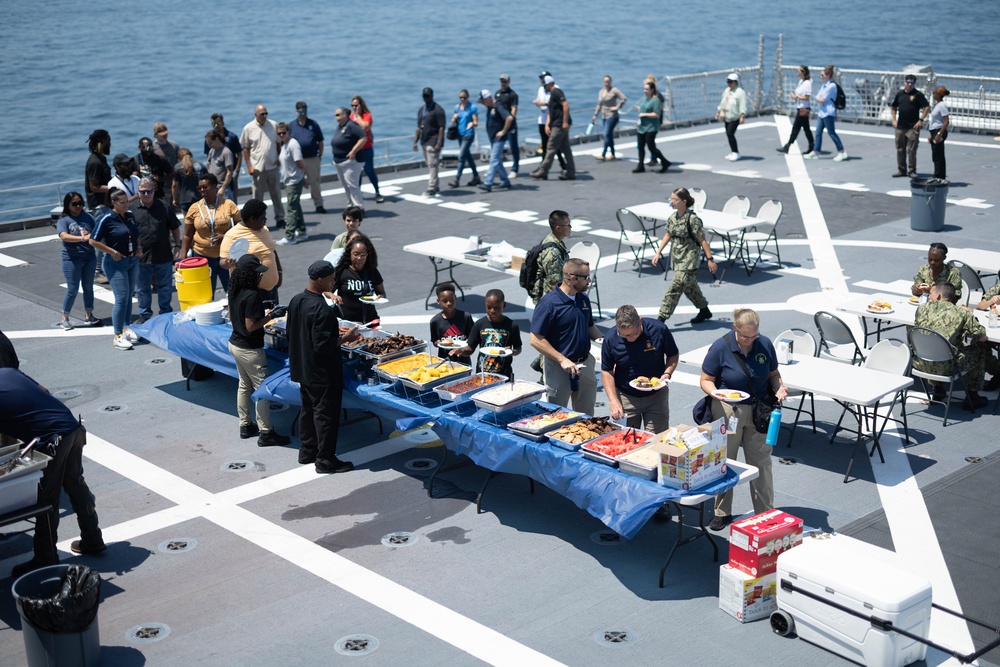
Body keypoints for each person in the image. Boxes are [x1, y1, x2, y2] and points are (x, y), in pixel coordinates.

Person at [2, 367, 105, 577]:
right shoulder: (8, 372)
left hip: (52, 439)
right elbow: (45, 391)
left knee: (47, 499)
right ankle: (93, 539)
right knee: (76, 484)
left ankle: (45, 557)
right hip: (72, 426)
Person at [700, 308, 788, 531]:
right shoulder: (721, 346)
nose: (749, 341)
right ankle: (721, 511)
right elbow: (706, 379)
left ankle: (765, 512)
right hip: (728, 409)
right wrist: (716, 394)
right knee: (724, 461)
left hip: (758, 410)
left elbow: (773, 374)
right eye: (745, 337)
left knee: (761, 463)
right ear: (735, 329)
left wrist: (780, 388)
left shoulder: (765, 344)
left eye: (753, 336)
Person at [287, 260, 360, 473]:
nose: (333, 282)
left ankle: (307, 451)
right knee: (325, 416)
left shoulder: (296, 300)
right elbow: (324, 346)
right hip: (322, 373)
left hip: (302, 368)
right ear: (320, 280)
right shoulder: (321, 309)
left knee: (308, 410)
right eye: (331, 279)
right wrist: (346, 337)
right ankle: (325, 460)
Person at [227, 253, 291, 447]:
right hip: (250, 349)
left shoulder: (234, 289)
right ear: (249, 275)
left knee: (244, 385)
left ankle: (245, 425)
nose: (260, 276)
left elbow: (232, 315)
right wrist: (270, 315)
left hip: (235, 344)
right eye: (257, 273)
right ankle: (266, 432)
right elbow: (251, 326)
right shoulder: (253, 295)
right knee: (262, 390)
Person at [530, 258, 602, 414]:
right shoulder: (549, 303)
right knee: (557, 416)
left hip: (585, 366)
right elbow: (535, 339)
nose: (589, 281)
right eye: (586, 277)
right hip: (558, 368)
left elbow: (589, 327)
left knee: (587, 418)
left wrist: (605, 340)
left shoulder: (583, 299)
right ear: (572, 278)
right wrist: (562, 360)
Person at [915, 283, 994, 411]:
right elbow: (981, 334)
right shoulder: (961, 313)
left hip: (921, 363)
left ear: (939, 295)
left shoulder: (921, 309)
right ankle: (972, 397)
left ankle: (937, 390)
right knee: (980, 350)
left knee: (932, 348)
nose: (929, 296)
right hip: (947, 366)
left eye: (931, 294)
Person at [600, 304, 679, 434]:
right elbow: (607, 370)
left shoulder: (658, 329)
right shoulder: (611, 338)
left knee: (657, 439)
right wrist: (613, 400)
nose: (630, 339)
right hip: (626, 397)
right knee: (627, 439)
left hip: (656, 395)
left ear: (640, 321)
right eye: (624, 336)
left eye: (633, 334)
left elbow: (673, 354)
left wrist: (667, 373)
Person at [652, 188, 717, 324]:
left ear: (684, 201)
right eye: (671, 199)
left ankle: (661, 319)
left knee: (675, 288)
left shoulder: (693, 220)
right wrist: (658, 252)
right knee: (689, 287)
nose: (671, 202)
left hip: (689, 261)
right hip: (677, 259)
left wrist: (710, 259)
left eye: (675, 199)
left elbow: (702, 240)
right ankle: (704, 310)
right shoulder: (672, 218)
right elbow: (668, 234)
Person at [89, 188, 141, 350]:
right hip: (115, 263)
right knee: (121, 297)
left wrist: (138, 247)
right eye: (122, 202)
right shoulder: (106, 219)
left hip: (132, 260)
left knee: (129, 296)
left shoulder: (130, 216)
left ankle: (125, 327)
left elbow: (135, 234)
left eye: (127, 201)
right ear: (113, 203)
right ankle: (117, 335)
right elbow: (93, 241)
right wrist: (111, 251)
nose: (126, 204)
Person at [181, 173, 242, 293]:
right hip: (202, 256)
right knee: (204, 293)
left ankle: (234, 312)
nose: (202, 190)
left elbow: (241, 229)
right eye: (199, 188)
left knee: (234, 292)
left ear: (214, 186)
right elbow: (187, 235)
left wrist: (225, 237)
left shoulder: (228, 205)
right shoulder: (194, 208)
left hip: (227, 256)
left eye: (205, 186)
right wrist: (183, 259)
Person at [130, 178, 180, 324]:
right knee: (142, 288)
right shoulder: (131, 209)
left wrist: (177, 246)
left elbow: (175, 227)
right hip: (141, 256)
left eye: (149, 191)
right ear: (138, 192)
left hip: (163, 254)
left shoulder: (164, 206)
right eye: (142, 192)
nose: (146, 194)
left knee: (165, 287)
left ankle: (165, 312)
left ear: (153, 191)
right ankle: (144, 314)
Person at [220, 198, 282, 302]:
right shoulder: (232, 235)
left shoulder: (264, 229)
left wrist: (279, 273)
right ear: (252, 218)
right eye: (263, 218)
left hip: (272, 290)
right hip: (251, 294)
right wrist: (228, 263)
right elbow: (222, 262)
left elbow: (272, 252)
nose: (266, 220)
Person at [55, 192, 101, 329]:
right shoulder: (63, 220)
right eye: (74, 204)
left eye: (80, 203)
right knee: (73, 289)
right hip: (71, 258)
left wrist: (91, 235)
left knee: (88, 287)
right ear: (68, 205)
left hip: (89, 257)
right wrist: (82, 238)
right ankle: (65, 317)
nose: (78, 206)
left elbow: (98, 232)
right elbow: (63, 236)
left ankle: (89, 315)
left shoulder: (88, 217)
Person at [457, 289, 522, 378]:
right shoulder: (479, 324)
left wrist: (511, 352)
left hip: (504, 374)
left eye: (496, 307)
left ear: (504, 305)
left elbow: (518, 349)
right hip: (483, 374)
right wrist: (462, 351)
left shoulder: (512, 326)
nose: (492, 311)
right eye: (489, 307)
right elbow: (471, 348)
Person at [241, 104, 285, 228]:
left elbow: (279, 143)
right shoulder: (248, 128)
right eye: (262, 114)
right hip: (258, 169)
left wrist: (279, 158)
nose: (265, 116)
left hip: (272, 167)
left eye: (266, 113)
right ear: (256, 114)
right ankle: (256, 221)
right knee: (257, 198)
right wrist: (249, 166)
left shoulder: (273, 125)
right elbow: (245, 149)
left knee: (276, 194)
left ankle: (280, 218)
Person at [331, 235, 385, 325]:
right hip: (348, 322)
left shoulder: (372, 272)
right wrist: (333, 296)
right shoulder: (342, 271)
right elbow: (327, 291)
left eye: (363, 255)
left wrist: (380, 297)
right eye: (356, 254)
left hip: (370, 321)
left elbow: (382, 293)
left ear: (368, 255)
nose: (359, 258)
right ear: (350, 253)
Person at [531, 75, 576, 181]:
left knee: (550, 147)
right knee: (565, 148)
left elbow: (566, 105)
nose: (544, 87)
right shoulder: (553, 94)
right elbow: (552, 110)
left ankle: (543, 171)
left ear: (550, 84)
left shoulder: (556, 92)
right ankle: (570, 172)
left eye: (545, 85)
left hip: (559, 124)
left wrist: (564, 122)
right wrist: (547, 124)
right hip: (557, 123)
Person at [288, 101, 325, 213]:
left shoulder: (313, 124)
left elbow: (320, 141)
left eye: (305, 111)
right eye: (301, 112)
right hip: (297, 160)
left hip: (312, 158)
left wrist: (320, 155)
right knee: (296, 182)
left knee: (315, 182)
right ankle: (295, 205)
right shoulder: (291, 126)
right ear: (296, 112)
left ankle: (319, 204)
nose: (303, 114)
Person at [890, 74, 930, 178]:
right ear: (904, 82)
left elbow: (926, 107)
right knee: (900, 149)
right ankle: (901, 169)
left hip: (912, 127)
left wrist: (920, 120)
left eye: (912, 83)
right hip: (900, 127)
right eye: (908, 82)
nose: (909, 84)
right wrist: (894, 119)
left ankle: (912, 170)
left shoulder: (917, 95)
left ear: (914, 83)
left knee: (912, 150)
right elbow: (893, 107)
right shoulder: (900, 94)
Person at [804, 65, 847, 162]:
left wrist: (817, 98)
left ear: (828, 75)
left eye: (822, 75)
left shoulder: (831, 86)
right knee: (818, 132)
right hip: (822, 113)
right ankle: (816, 152)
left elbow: (822, 99)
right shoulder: (824, 85)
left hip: (828, 113)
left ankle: (842, 151)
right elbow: (819, 96)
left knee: (831, 133)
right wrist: (818, 98)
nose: (821, 77)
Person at [330, 107, 368, 209]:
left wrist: (353, 151)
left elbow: (363, 137)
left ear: (344, 115)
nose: (336, 117)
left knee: (353, 185)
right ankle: (351, 205)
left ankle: (359, 207)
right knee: (345, 185)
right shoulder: (340, 126)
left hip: (350, 162)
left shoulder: (351, 125)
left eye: (338, 115)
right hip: (340, 161)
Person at [476, 90, 513, 193]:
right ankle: (505, 181)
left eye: (483, 101)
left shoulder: (498, 106)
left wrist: (503, 131)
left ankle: (488, 183)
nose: (483, 104)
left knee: (494, 160)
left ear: (488, 99)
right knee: (498, 161)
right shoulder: (491, 107)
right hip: (493, 139)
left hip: (499, 139)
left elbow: (509, 118)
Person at [531, 210, 572, 304]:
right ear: (558, 228)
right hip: (549, 301)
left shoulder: (555, 242)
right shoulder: (552, 253)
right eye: (568, 225)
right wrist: (564, 304)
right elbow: (554, 284)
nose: (570, 227)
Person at [276, 122, 306, 245]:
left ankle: (290, 236)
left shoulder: (293, 145)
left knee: (291, 208)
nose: (282, 135)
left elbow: (300, 162)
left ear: (289, 131)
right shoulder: (285, 144)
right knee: (296, 206)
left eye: (284, 132)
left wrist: (304, 178)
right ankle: (302, 231)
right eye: (279, 133)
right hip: (289, 180)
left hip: (294, 181)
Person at [350, 95, 384, 204]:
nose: (354, 107)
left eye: (356, 105)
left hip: (366, 148)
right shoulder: (350, 117)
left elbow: (365, 127)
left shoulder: (367, 115)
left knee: (369, 170)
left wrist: (358, 116)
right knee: (357, 173)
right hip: (356, 150)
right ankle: (358, 193)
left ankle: (377, 191)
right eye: (352, 106)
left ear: (361, 105)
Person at [203, 113, 243, 203]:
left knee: (231, 196)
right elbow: (208, 158)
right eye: (214, 124)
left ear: (223, 123)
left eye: (218, 123)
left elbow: (239, 154)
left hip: (230, 170)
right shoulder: (209, 139)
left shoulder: (231, 137)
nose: (216, 125)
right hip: (216, 179)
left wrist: (236, 170)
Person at [429, 283, 474, 363]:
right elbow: (435, 342)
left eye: (451, 300)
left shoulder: (466, 317)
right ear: (438, 301)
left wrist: (466, 343)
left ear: (456, 298)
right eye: (445, 301)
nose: (449, 303)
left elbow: (473, 338)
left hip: (464, 361)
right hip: (445, 361)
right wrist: (438, 342)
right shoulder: (435, 321)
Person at [413, 87, 446, 196]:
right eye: (424, 96)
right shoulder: (421, 110)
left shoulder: (438, 110)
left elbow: (441, 127)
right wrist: (415, 141)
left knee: (432, 164)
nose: (425, 98)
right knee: (430, 164)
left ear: (432, 96)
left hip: (433, 140)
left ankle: (432, 187)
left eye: (427, 96)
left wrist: (439, 143)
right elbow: (418, 127)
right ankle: (435, 186)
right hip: (424, 140)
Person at [634, 79, 670, 173]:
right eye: (644, 89)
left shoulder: (656, 101)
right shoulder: (644, 99)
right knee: (640, 146)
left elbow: (657, 114)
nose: (645, 91)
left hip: (651, 127)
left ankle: (664, 162)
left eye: (647, 89)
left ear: (652, 90)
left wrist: (645, 114)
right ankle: (640, 165)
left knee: (651, 147)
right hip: (641, 127)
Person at [777, 65, 814, 154]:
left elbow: (807, 97)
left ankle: (788, 145)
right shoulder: (801, 82)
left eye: (799, 71)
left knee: (796, 128)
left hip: (803, 109)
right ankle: (812, 144)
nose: (797, 73)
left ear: (803, 72)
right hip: (800, 108)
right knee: (806, 128)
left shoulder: (807, 83)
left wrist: (796, 96)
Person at [448, 90, 481, 188]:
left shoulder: (472, 108)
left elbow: (476, 122)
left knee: (461, 156)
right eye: (460, 97)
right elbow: (453, 120)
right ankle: (476, 176)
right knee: (468, 156)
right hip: (460, 135)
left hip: (468, 134)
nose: (462, 99)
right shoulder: (457, 108)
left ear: (468, 97)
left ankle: (456, 179)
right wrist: (454, 118)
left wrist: (472, 123)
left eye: (464, 97)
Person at [592, 75, 627, 161]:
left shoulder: (614, 90)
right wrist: (595, 115)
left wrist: (617, 107)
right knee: (609, 135)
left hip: (612, 116)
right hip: (604, 116)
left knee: (606, 134)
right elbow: (599, 104)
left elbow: (623, 98)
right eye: (605, 82)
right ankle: (612, 153)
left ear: (610, 82)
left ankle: (603, 154)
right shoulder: (601, 92)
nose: (606, 83)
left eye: (608, 82)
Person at [717, 73, 748, 161]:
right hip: (727, 116)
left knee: (730, 133)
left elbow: (743, 105)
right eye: (728, 82)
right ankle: (733, 151)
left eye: (730, 82)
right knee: (728, 133)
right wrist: (719, 111)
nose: (729, 84)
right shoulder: (727, 90)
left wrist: (742, 116)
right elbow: (723, 102)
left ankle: (736, 152)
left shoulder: (740, 92)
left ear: (736, 82)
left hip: (735, 117)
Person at [495, 75, 520, 177]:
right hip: (499, 124)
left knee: (513, 147)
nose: (503, 83)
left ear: (509, 82)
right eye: (501, 81)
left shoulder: (513, 95)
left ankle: (515, 169)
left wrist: (511, 120)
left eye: (505, 81)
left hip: (510, 124)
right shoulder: (497, 93)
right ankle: (497, 168)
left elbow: (514, 109)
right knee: (498, 147)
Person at [172, 148, 208, 215]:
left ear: (179, 157)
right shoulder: (201, 165)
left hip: (185, 200)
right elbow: (208, 182)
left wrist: (174, 199)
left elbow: (174, 185)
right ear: (191, 155)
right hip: (200, 198)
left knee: (188, 223)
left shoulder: (177, 167)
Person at [204, 130, 236, 201]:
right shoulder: (211, 151)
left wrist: (223, 188)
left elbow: (229, 172)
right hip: (213, 187)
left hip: (223, 189)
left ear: (217, 139)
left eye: (210, 143)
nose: (209, 146)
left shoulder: (226, 152)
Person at [84, 129, 111, 212]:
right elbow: (94, 187)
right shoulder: (95, 162)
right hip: (100, 207)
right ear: (103, 142)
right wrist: (114, 187)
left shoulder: (102, 158)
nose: (110, 144)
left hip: (106, 204)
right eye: (108, 141)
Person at [928, 86, 951, 180]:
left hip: (939, 131)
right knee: (936, 154)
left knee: (938, 155)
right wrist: (931, 135)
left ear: (938, 95)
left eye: (934, 93)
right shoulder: (938, 105)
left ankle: (939, 177)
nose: (933, 94)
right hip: (935, 131)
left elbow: (946, 121)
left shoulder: (942, 106)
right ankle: (938, 175)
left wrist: (938, 134)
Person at [532, 71, 556, 161]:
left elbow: (553, 104)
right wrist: (537, 103)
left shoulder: (555, 89)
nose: (541, 80)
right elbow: (540, 100)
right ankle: (543, 165)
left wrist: (543, 103)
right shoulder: (541, 89)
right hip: (542, 119)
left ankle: (564, 166)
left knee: (555, 144)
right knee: (544, 143)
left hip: (552, 120)